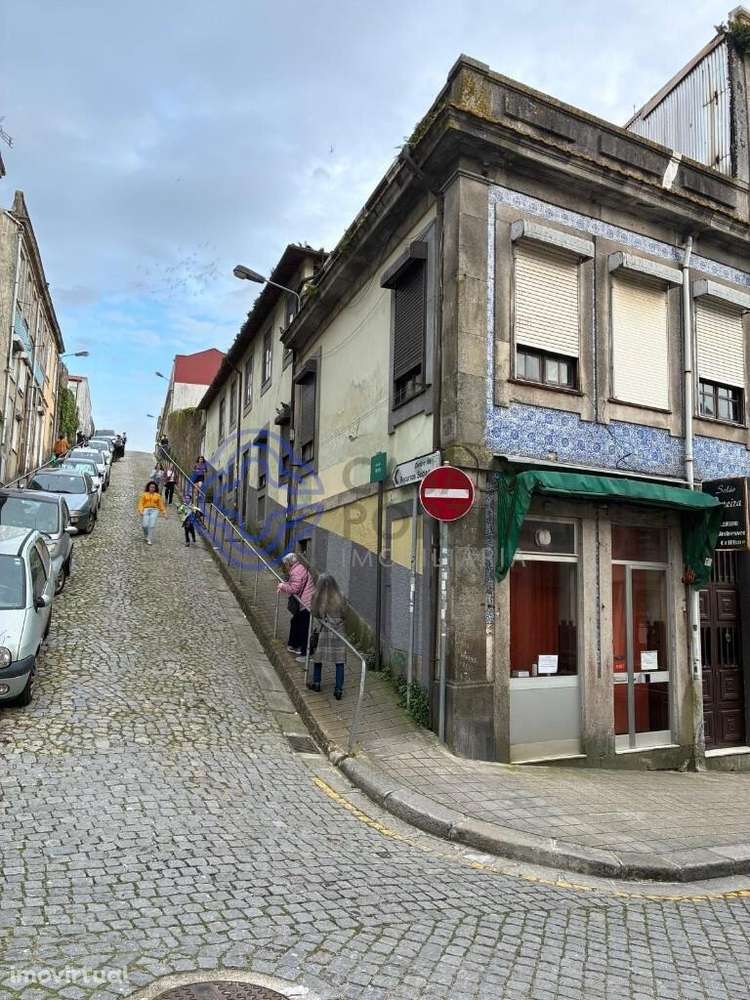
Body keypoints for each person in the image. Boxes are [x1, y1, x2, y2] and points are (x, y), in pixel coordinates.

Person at [308, 574, 347, 699]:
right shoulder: (341, 595)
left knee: (318, 658)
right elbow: (345, 613)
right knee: (339, 661)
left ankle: (317, 682)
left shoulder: (318, 597)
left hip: (324, 630)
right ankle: (338, 689)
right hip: (338, 630)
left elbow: (314, 612)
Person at [277, 553, 314, 656]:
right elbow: (294, 584)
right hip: (306, 601)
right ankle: (294, 645)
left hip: (305, 603)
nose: (285, 566)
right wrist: (285, 584)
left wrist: (282, 586)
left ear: (289, 563)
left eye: (286, 564)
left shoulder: (296, 572)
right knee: (296, 622)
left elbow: (294, 589)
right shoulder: (299, 568)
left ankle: (304, 652)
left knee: (303, 626)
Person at [137, 480, 166, 545]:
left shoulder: (158, 496)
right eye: (151, 487)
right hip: (146, 509)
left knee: (152, 525)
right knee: (145, 525)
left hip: (155, 510)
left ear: (155, 488)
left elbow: (161, 505)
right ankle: (146, 535)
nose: (152, 488)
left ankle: (149, 539)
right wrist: (141, 511)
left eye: (153, 487)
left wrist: (164, 512)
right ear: (148, 487)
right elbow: (140, 503)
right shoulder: (144, 495)